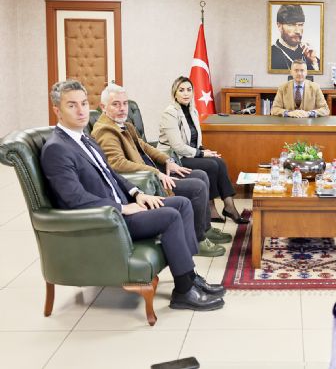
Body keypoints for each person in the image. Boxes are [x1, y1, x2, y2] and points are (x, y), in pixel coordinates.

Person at [41, 80, 224, 311]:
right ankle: (183, 291)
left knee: (183, 204)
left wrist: (137, 193)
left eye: (84, 103)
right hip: (109, 219)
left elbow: (111, 173)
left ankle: (190, 276)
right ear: (57, 110)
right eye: (72, 105)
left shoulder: (83, 138)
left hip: (124, 204)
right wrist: (122, 208)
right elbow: (74, 199)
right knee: (170, 216)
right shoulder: (57, 148)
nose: (81, 110)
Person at [92, 83, 231, 257]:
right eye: (116, 104)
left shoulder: (123, 125)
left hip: (153, 173)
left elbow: (145, 146)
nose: (122, 108)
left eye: (125, 103)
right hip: (144, 182)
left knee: (200, 175)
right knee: (197, 187)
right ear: (103, 106)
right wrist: (156, 172)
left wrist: (167, 160)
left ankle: (204, 228)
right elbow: (117, 164)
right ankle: (197, 240)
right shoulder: (105, 131)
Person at [158, 76, 250, 225]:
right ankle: (211, 209)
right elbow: (177, 146)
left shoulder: (192, 111)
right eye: (181, 90)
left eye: (189, 90)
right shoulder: (170, 113)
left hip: (189, 154)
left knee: (219, 162)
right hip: (173, 158)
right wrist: (201, 154)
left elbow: (195, 140)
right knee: (211, 165)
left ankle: (229, 206)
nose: (186, 93)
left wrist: (205, 151)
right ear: (175, 93)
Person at [270, 4, 320, 71]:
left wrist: (313, 62)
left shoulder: (311, 57)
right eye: (291, 25)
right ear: (279, 26)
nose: (297, 31)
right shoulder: (270, 55)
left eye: (300, 25)